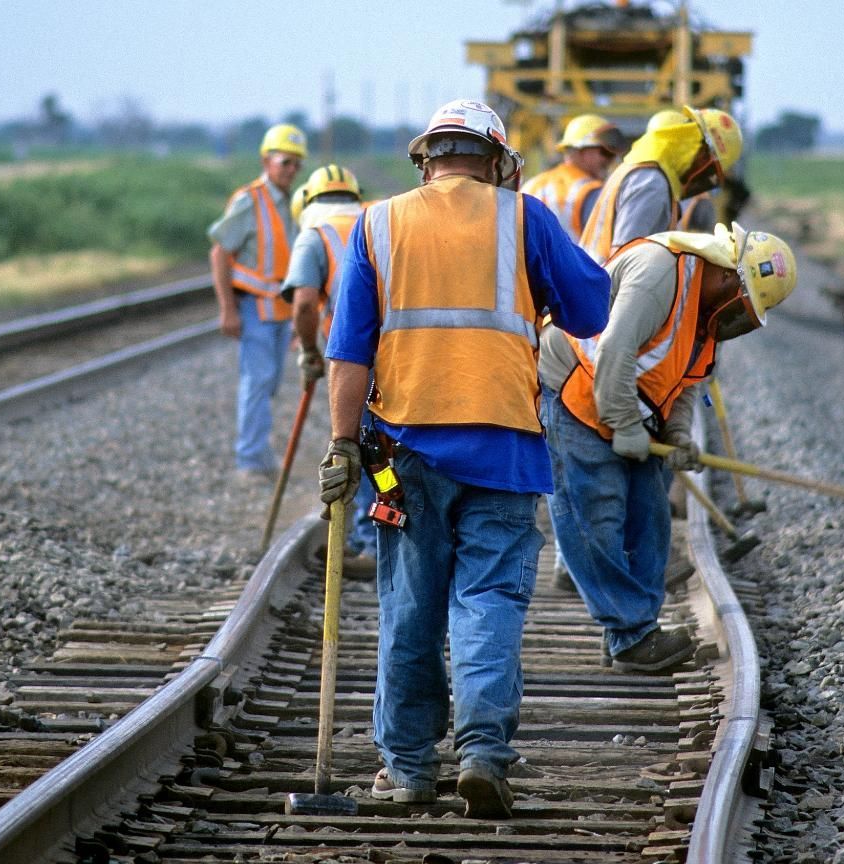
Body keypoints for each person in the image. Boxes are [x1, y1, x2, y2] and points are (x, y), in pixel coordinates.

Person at [319, 99, 609, 818]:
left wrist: (342, 444)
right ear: (496, 160)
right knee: (488, 599)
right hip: (506, 446)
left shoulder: (378, 222)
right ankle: (482, 754)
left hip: (402, 451)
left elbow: (348, 352)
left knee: (411, 604)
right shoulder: (525, 217)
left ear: (429, 158)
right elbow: (594, 313)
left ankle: (410, 771)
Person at [540, 222, 796, 673]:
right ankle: (631, 634)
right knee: (593, 516)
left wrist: (675, 436)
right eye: (746, 303)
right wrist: (624, 424)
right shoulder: (661, 271)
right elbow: (614, 350)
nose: (742, 317)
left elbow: (688, 382)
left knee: (650, 517)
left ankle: (630, 632)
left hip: (630, 407)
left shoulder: (709, 310)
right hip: (575, 393)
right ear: (729, 276)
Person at [279, 164, 377, 574]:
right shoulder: (380, 219)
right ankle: (379, 534)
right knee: (389, 444)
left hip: (355, 355)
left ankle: (370, 543)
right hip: (404, 346)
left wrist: (310, 351)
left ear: (307, 201)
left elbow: (303, 303)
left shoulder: (314, 235)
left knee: (357, 446)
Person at [207, 123, 306, 476]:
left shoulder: (293, 204)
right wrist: (227, 309)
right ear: (266, 161)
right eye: (285, 162)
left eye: (297, 164)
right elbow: (220, 254)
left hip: (280, 310)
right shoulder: (249, 200)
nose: (291, 170)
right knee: (258, 381)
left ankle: (259, 455)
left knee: (271, 382)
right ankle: (250, 461)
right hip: (253, 309)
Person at [579, 105, 742, 263]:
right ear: (701, 153)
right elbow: (624, 258)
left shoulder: (642, 172)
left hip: (595, 283)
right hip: (604, 288)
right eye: (710, 169)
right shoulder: (652, 183)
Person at [520, 114, 623, 241]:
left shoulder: (532, 184)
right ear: (581, 150)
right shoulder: (590, 191)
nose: (611, 159)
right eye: (605, 152)